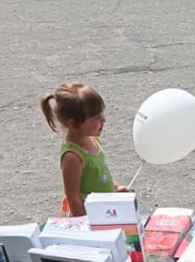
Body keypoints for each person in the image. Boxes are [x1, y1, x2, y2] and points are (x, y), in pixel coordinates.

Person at [40, 82, 130, 217]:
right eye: (96, 117)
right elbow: (73, 196)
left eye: (102, 114)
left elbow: (100, 174)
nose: (104, 119)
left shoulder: (92, 140)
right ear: (74, 123)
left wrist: (115, 188)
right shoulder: (73, 156)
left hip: (104, 211)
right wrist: (84, 225)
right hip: (90, 215)